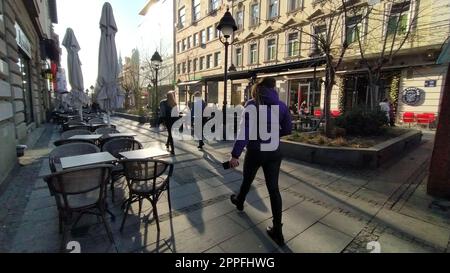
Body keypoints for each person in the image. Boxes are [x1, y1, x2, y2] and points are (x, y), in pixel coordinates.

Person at [228, 77, 293, 246]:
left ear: (258, 88)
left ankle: (240, 201)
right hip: (274, 152)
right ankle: (278, 230)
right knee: (274, 190)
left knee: (247, 180)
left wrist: (235, 154)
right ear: (273, 89)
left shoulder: (252, 104)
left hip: (256, 151)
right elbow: (287, 129)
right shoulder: (282, 105)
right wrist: (272, 135)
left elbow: (245, 132)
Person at [160, 91, 178, 155]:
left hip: (167, 120)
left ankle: (172, 150)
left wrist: (162, 121)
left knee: (170, 134)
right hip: (173, 120)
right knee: (170, 132)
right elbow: (176, 113)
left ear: (166, 96)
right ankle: (167, 144)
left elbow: (162, 112)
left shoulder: (163, 102)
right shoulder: (174, 103)